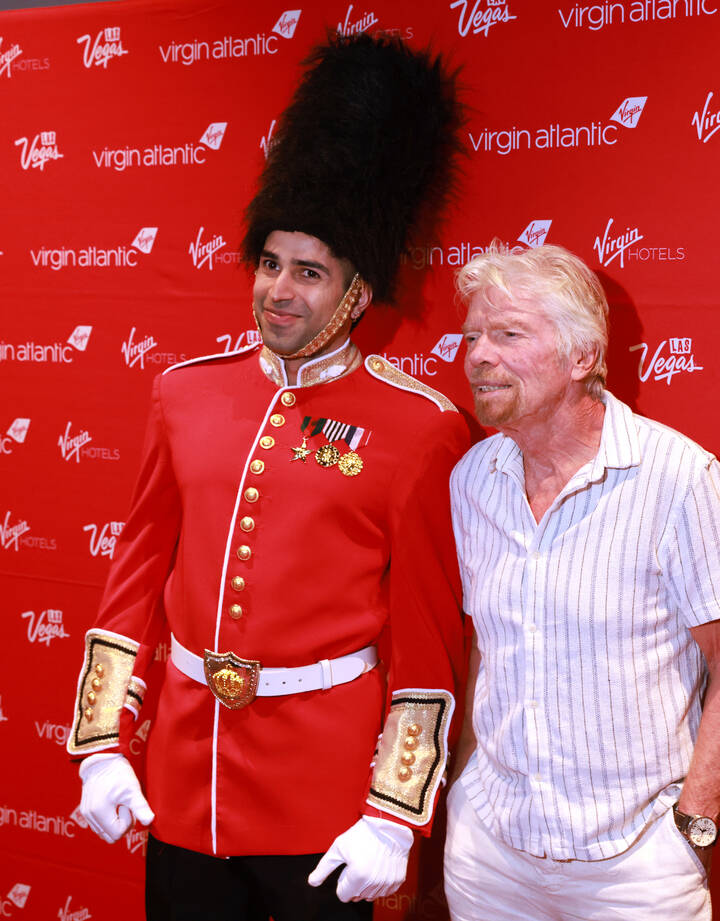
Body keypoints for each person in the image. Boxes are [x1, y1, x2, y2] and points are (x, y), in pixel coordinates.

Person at [64, 33, 469, 919]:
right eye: (271, 263)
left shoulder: (421, 428)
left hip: (323, 807)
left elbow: (426, 641)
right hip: (181, 780)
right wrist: (101, 743)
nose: (279, 291)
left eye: (310, 273)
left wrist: (393, 815)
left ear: (358, 292)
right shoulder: (185, 394)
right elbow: (133, 578)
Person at [443, 243, 720, 921]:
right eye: (472, 335)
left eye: (507, 334)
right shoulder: (472, 480)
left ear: (582, 356)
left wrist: (694, 828)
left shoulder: (682, 480)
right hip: (491, 853)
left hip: (636, 864)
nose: (476, 355)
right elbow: (486, 649)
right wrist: (461, 795)